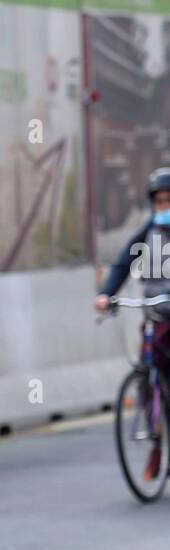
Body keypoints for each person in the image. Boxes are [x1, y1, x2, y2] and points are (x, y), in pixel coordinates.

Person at [95, 167, 170, 481]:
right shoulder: (149, 231)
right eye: (160, 202)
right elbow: (124, 261)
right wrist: (106, 293)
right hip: (156, 313)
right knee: (148, 377)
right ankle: (157, 444)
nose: (164, 208)